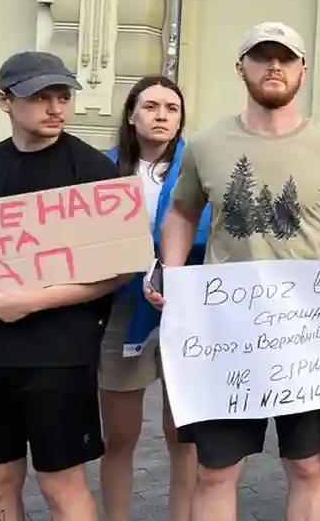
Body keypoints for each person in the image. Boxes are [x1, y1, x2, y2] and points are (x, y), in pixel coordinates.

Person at [145, 21, 320, 521]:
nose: (274, 66)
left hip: (308, 336)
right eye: (262, 57)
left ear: (303, 69)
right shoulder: (206, 144)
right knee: (216, 472)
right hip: (225, 334)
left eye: (285, 58)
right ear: (241, 67)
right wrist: (167, 269)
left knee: (307, 467)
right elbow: (182, 212)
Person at [0, 51, 131, 521]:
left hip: (60, 356)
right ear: (4, 101)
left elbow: (122, 269)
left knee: (60, 484)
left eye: (62, 97)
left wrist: (34, 300)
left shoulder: (94, 171)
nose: (55, 108)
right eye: (39, 97)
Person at [99, 76, 213, 521]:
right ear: (131, 114)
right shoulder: (103, 168)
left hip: (187, 309)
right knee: (119, 436)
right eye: (150, 106)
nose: (162, 115)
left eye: (172, 108)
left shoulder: (200, 168)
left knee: (183, 435)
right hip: (122, 306)